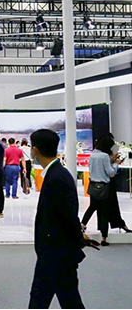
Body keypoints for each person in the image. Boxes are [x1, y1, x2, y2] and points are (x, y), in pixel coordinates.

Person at [28, 128, 92, 309]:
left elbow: (67, 215)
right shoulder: (57, 174)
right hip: (51, 253)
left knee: (69, 301)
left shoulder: (56, 178)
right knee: (40, 299)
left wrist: (78, 237)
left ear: (35, 150)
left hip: (57, 254)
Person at [79, 135, 124, 246]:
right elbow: (110, 172)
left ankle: (82, 225)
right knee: (104, 212)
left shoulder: (93, 155)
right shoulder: (104, 156)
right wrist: (116, 164)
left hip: (93, 185)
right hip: (104, 187)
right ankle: (104, 238)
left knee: (91, 207)